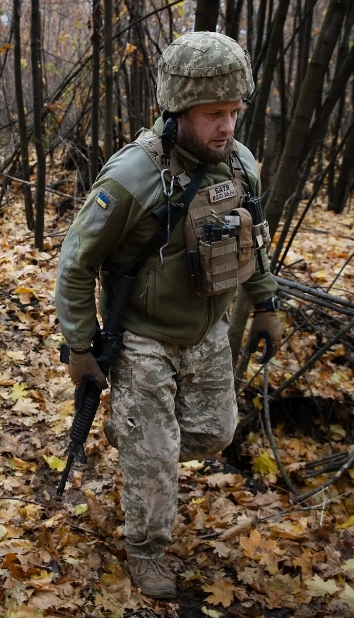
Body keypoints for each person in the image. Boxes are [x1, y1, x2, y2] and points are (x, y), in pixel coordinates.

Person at [54, 32, 283, 599]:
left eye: (234, 112)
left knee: (214, 433)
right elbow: (77, 264)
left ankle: (135, 436)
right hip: (143, 338)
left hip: (206, 331)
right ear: (178, 111)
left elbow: (251, 240)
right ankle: (146, 547)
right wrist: (81, 348)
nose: (226, 127)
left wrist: (266, 304)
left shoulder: (242, 166)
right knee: (155, 457)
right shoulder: (133, 177)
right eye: (212, 115)